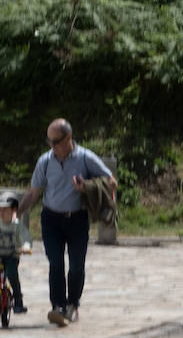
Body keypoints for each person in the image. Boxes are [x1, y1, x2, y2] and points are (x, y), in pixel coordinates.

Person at [16, 119, 116, 326]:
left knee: (77, 266)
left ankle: (73, 305)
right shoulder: (45, 161)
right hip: (51, 219)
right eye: (49, 141)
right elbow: (33, 193)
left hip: (77, 219)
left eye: (55, 141)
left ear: (68, 138)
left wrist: (86, 186)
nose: (51, 146)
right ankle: (58, 307)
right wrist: (15, 213)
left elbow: (111, 182)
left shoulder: (86, 158)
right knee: (55, 263)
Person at [0, 191, 31, 314]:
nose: (1, 213)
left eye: (5, 210)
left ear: (14, 210)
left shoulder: (17, 226)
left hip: (12, 256)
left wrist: (25, 247)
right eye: (0, 209)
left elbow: (25, 238)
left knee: (11, 273)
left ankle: (18, 299)